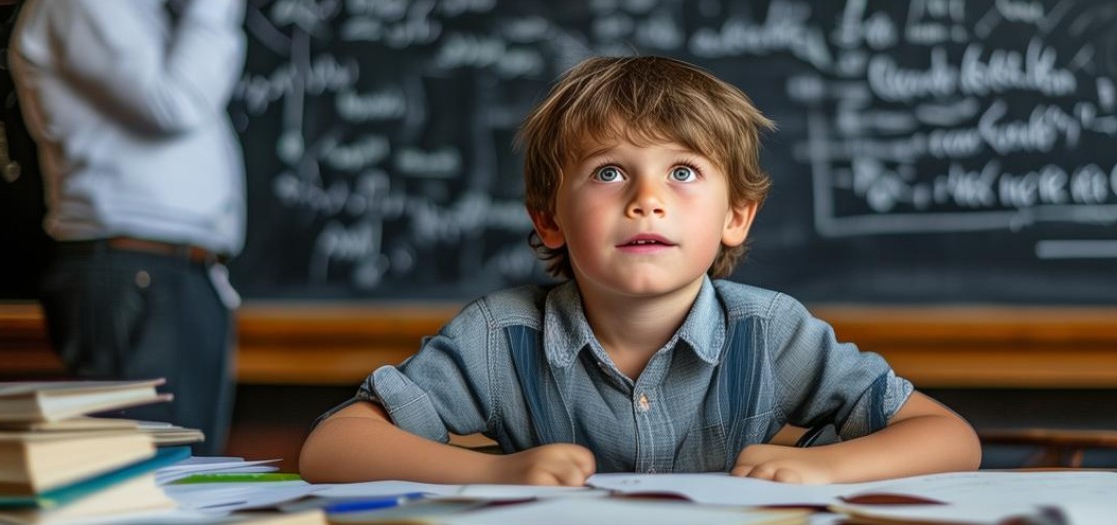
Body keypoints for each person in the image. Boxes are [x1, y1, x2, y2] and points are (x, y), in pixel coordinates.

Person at [299, 55, 981, 484]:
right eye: (609, 172)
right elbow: (333, 448)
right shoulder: (499, 335)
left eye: (682, 171)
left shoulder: (772, 331)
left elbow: (950, 437)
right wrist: (500, 473)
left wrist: (823, 465)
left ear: (735, 218)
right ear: (549, 220)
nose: (646, 198)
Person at [7, 0, 270, 455]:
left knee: (182, 483)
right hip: (134, 277)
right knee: (148, 490)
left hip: (166, 279)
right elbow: (172, 104)